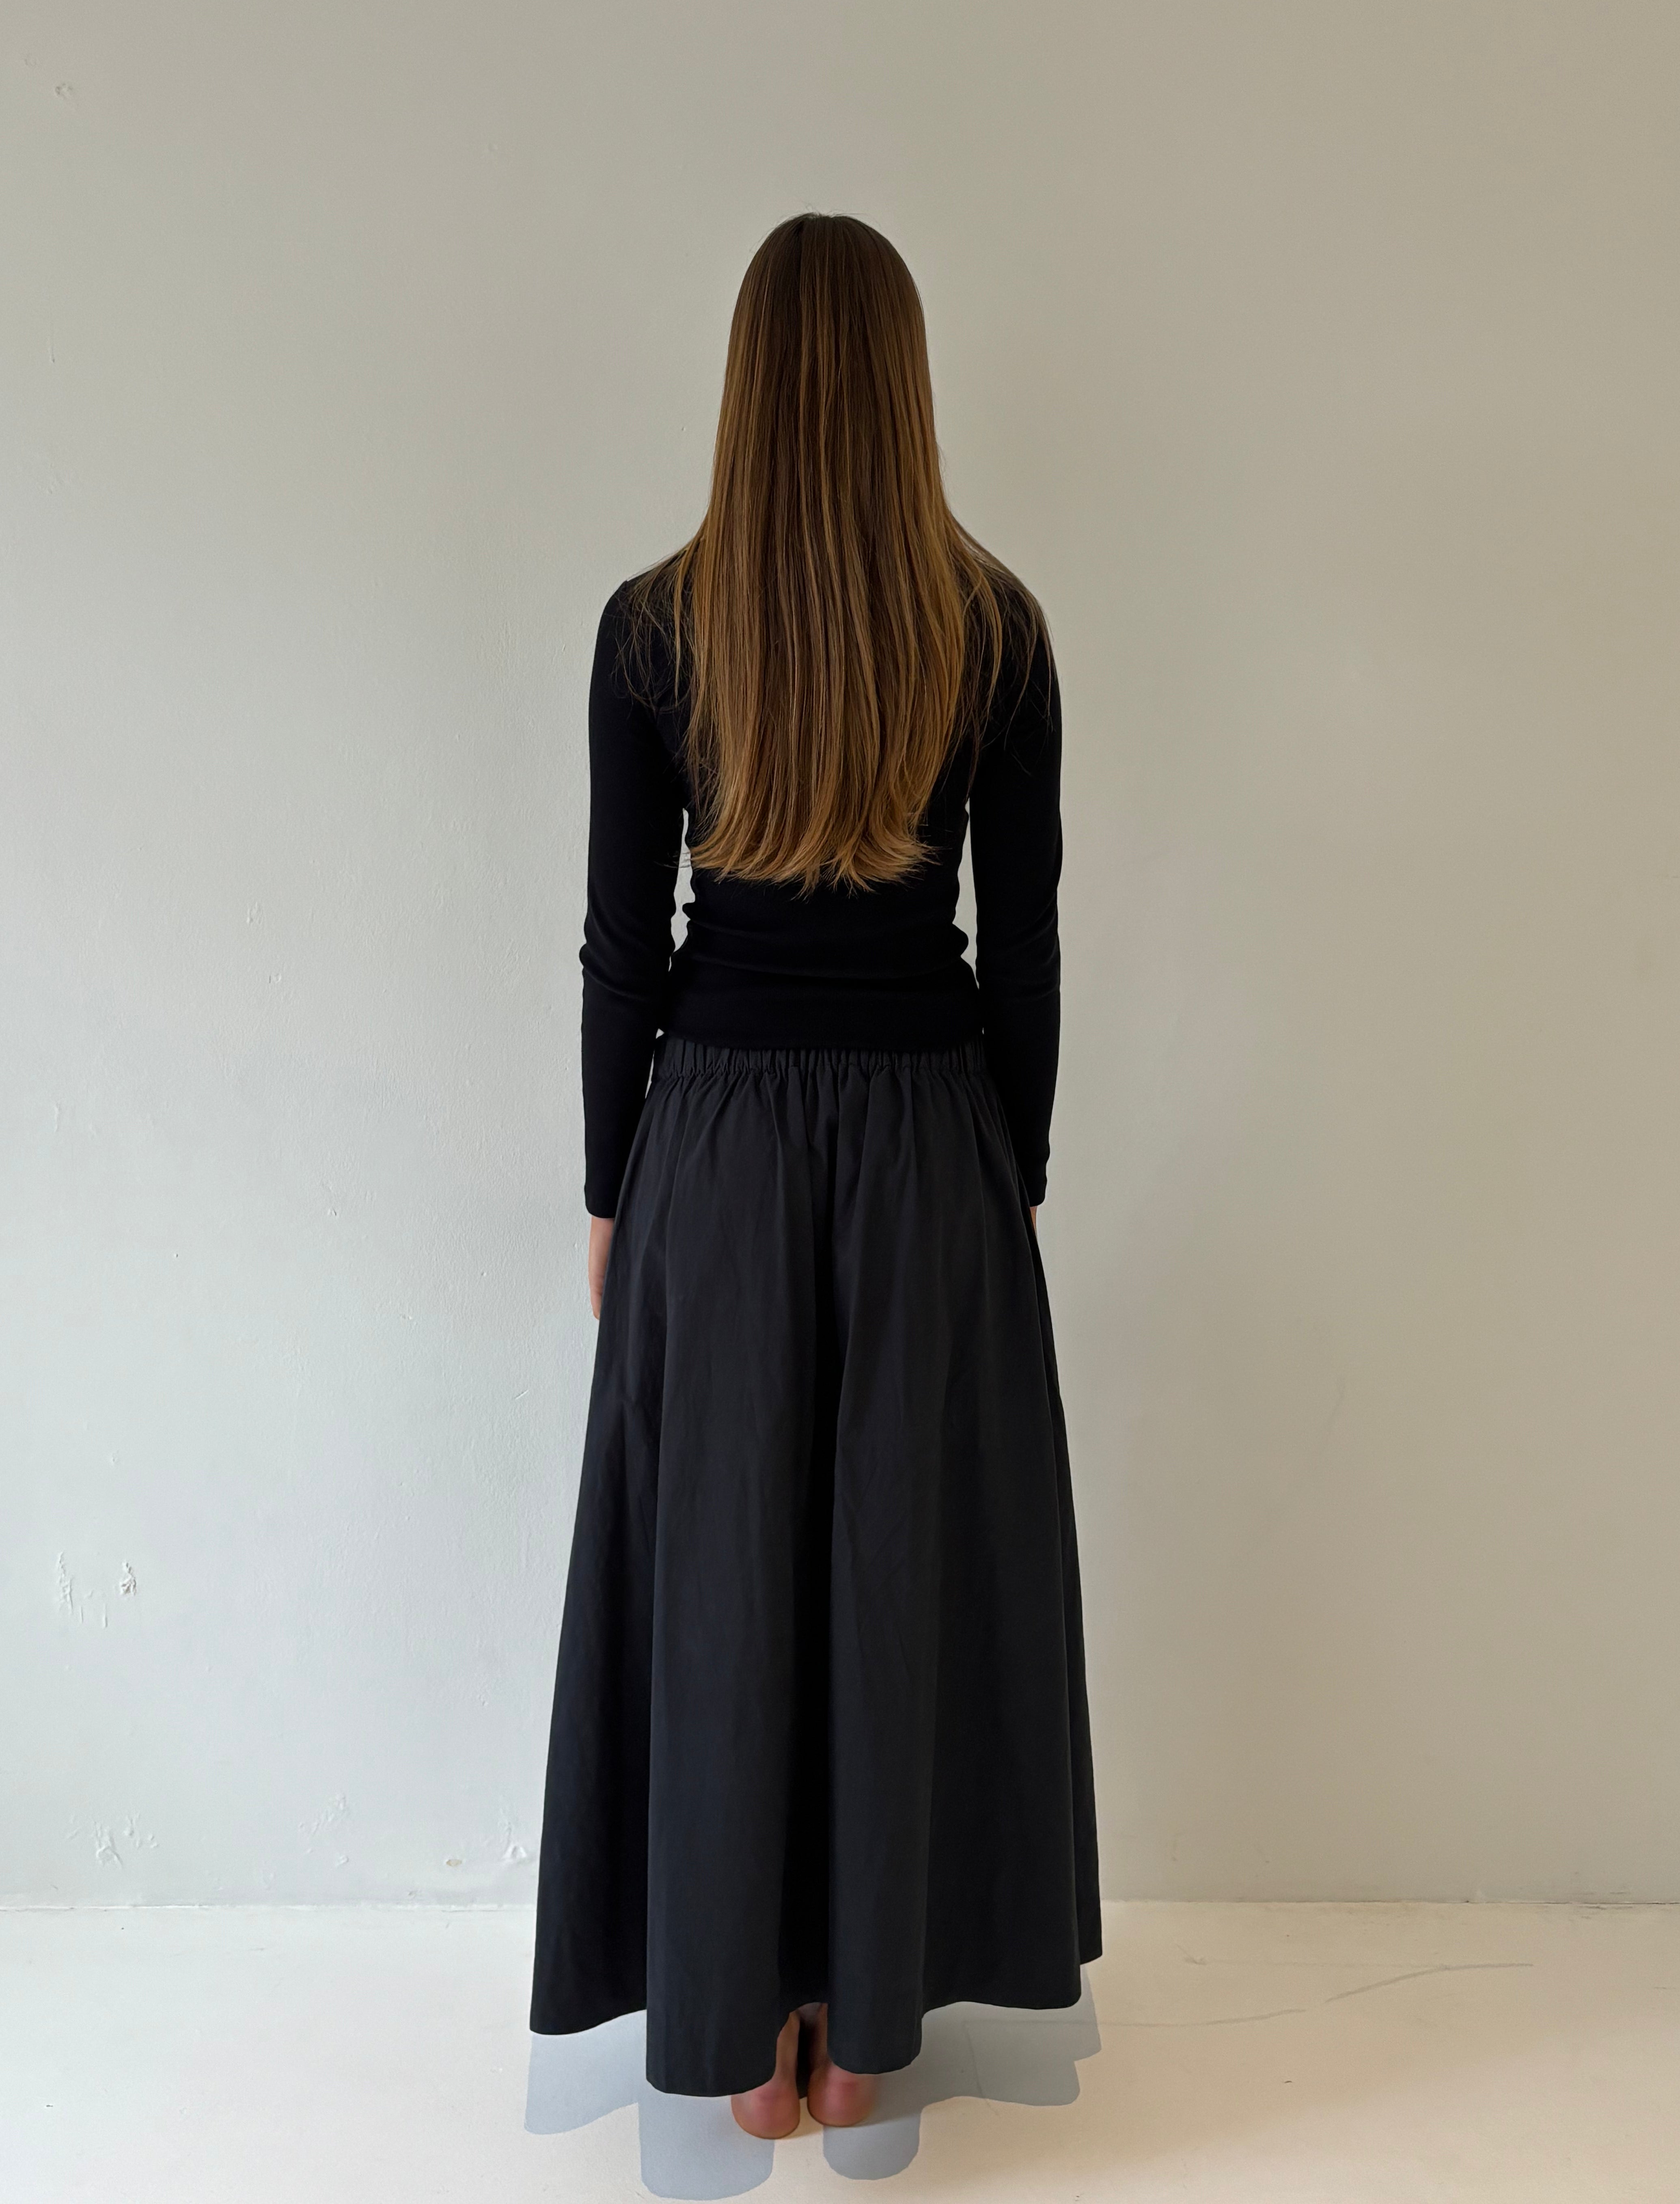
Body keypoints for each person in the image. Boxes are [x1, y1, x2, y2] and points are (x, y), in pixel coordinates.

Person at [529, 212, 1100, 2139]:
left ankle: (740, 2026)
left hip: (715, 1143)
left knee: (725, 1579)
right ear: (909, 390)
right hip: (930, 1137)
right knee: (895, 1571)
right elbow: (1023, 944)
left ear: (748, 390)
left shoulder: (653, 630)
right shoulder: (994, 633)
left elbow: (626, 950)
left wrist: (611, 1189)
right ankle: (867, 2030)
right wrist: (1009, 1171)